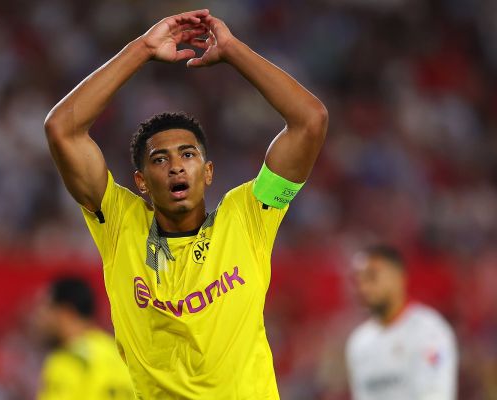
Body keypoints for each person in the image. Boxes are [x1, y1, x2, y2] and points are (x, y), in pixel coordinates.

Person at [44, 9, 327, 399]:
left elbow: (311, 120)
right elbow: (62, 128)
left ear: (208, 172)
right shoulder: (121, 225)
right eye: (160, 159)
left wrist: (234, 50)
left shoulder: (248, 216)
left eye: (188, 155)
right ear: (141, 182)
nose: (176, 166)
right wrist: (142, 48)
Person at [346, 245, 458, 400]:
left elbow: (435, 395)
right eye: (359, 280)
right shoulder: (359, 342)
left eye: (372, 277)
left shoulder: (429, 332)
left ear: (399, 278)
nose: (363, 287)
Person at [37, 277, 134, 400]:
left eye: (48, 309)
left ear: (65, 312)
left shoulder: (67, 360)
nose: (41, 318)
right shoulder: (121, 355)